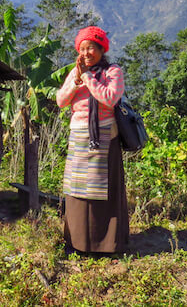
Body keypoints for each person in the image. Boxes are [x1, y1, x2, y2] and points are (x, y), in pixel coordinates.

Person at [56, 26, 129, 254]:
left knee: (102, 191)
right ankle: (77, 243)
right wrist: (76, 81)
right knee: (77, 189)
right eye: (83, 48)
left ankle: (106, 244)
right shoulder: (75, 73)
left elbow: (110, 98)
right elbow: (61, 101)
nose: (87, 53)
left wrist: (88, 78)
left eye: (92, 48)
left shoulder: (112, 71)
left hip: (105, 137)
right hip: (79, 136)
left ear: (101, 49)